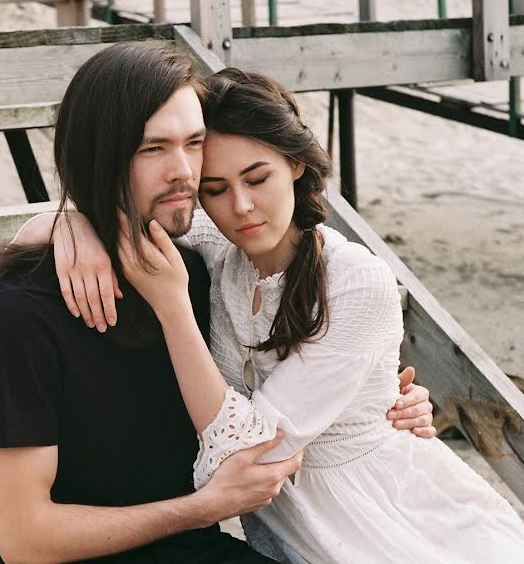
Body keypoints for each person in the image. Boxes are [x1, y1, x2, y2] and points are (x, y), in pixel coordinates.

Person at [28, 65, 524, 563]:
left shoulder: (354, 281)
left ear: (294, 163)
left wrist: (174, 306)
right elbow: (30, 233)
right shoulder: (220, 249)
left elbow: (249, 455)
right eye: (215, 189)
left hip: (399, 528)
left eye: (257, 177)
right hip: (297, 542)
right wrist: (73, 226)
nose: (240, 207)